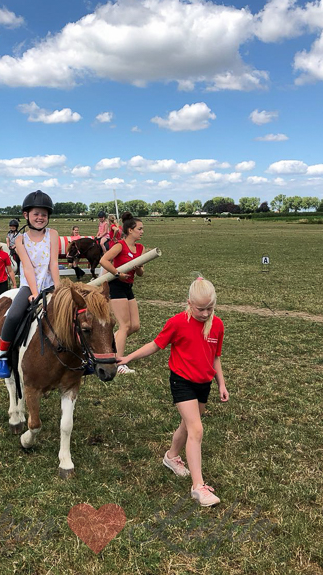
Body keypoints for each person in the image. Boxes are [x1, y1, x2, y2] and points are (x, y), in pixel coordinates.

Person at [118, 276, 228, 507]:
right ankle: (198, 486)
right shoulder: (177, 323)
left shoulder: (217, 325)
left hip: (204, 383)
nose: (205, 314)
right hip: (182, 381)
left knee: (187, 426)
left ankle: (171, 456)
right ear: (189, 303)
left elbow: (216, 357)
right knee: (196, 429)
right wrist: (128, 357)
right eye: (200, 309)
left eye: (210, 308)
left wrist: (221, 383)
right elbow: (155, 345)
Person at [0, 191, 61, 379]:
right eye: (36, 214)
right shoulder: (20, 239)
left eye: (44, 214)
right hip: (28, 286)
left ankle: (83, 357)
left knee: (74, 313)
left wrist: (59, 288)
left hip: (50, 283)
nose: (40, 217)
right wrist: (34, 293)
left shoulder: (53, 234)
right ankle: (3, 357)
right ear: (26, 215)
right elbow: (28, 267)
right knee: (13, 315)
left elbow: (53, 264)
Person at [99, 211, 144, 375]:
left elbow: (141, 273)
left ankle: (110, 343)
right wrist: (117, 273)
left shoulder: (140, 248)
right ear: (130, 230)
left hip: (128, 286)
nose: (142, 231)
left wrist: (138, 268)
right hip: (116, 285)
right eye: (139, 229)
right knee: (124, 325)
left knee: (135, 325)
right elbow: (103, 260)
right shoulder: (120, 245)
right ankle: (118, 363)